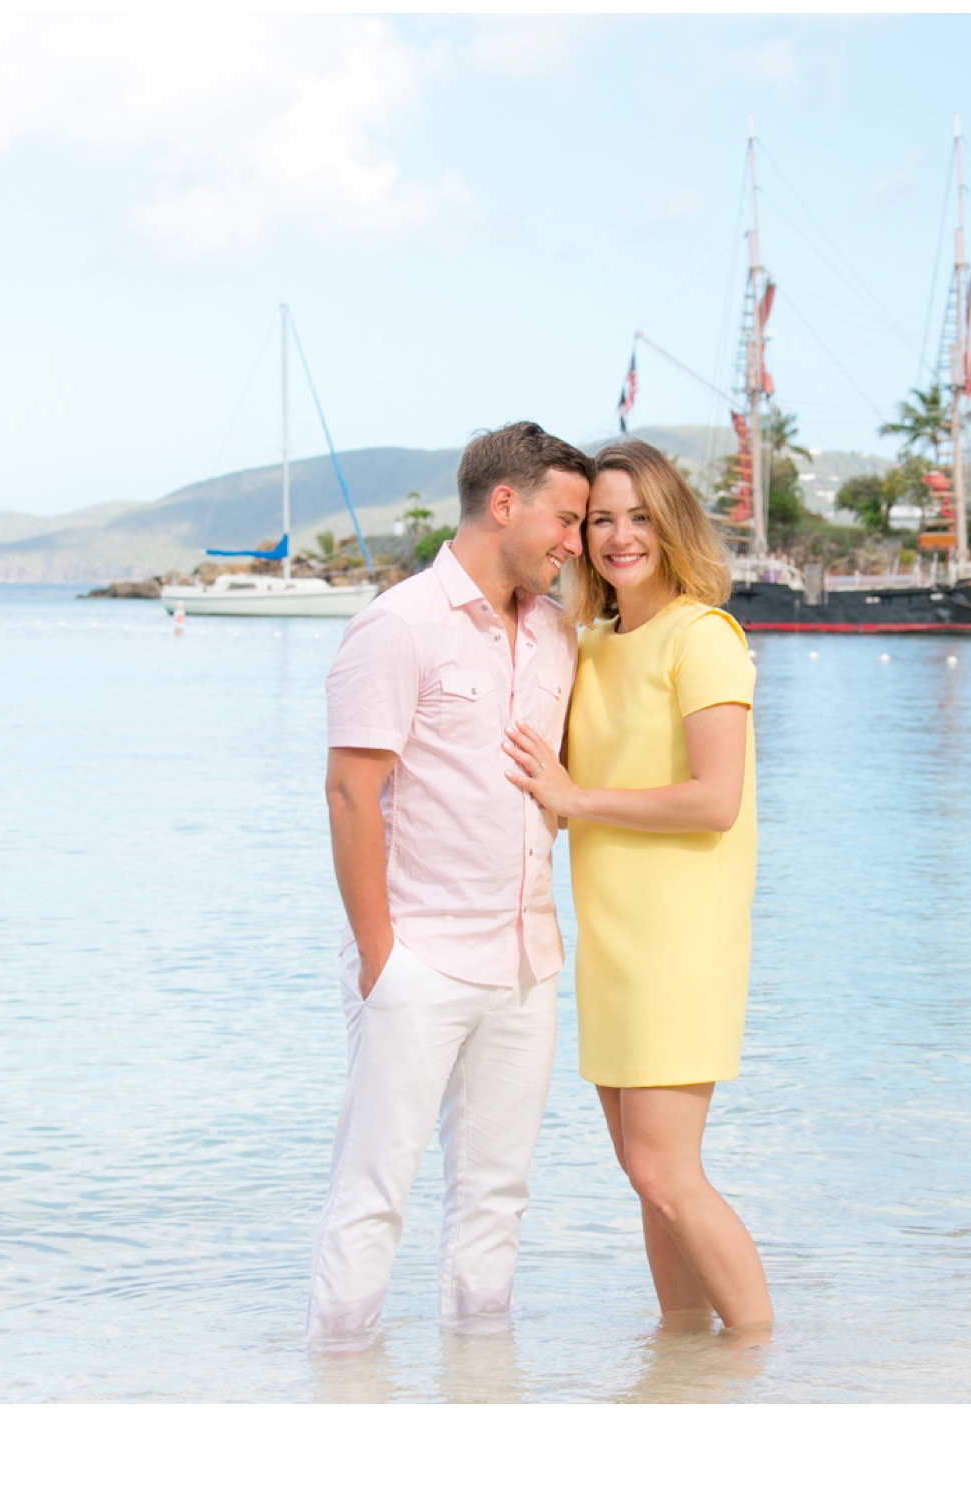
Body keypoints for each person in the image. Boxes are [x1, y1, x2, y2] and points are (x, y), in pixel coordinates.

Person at [307, 421, 593, 1341]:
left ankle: (480, 1401)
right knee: (373, 1194)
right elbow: (351, 793)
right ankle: (341, 1392)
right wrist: (381, 958)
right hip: (419, 960)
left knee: (496, 1198)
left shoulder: (556, 636)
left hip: (525, 963)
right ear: (503, 503)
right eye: (568, 517)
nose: (575, 542)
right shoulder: (397, 626)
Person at [503, 440, 772, 1335]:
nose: (618, 537)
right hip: (610, 943)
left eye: (639, 518)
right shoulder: (585, 647)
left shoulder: (703, 638)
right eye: (598, 520)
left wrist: (577, 796)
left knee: (668, 1174)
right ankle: (683, 1356)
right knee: (645, 1178)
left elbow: (714, 799)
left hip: (680, 941)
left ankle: (760, 1358)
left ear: (673, 525)